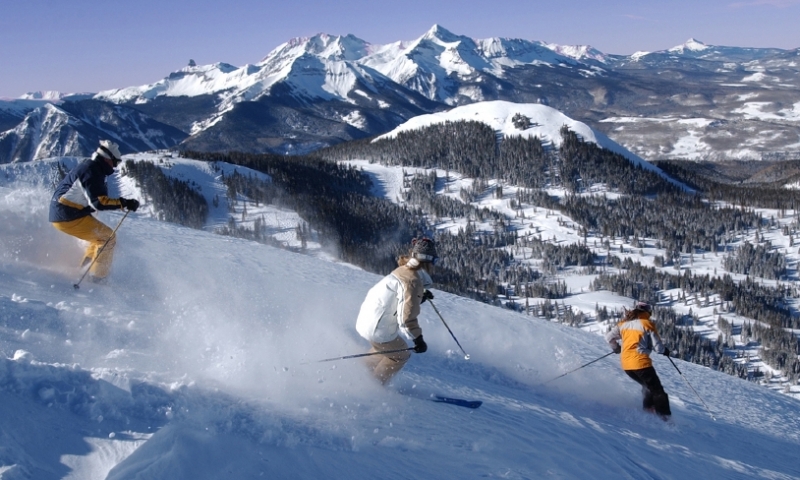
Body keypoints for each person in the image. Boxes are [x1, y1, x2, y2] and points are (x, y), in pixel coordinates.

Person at [49, 140, 140, 282]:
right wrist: (124, 203)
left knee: (98, 238)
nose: (115, 166)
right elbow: (99, 202)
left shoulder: (91, 168)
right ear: (106, 159)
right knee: (108, 238)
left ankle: (85, 270)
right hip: (67, 215)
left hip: (66, 213)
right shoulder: (91, 171)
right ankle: (97, 278)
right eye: (114, 162)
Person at [355, 237, 438, 385]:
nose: (434, 266)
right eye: (434, 261)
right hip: (377, 327)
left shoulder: (404, 270)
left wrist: (420, 296)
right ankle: (374, 385)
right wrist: (418, 339)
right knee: (400, 354)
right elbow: (406, 318)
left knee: (384, 349)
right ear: (428, 261)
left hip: (367, 320)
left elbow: (400, 299)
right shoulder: (413, 281)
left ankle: (359, 371)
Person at [605, 301, 672, 418]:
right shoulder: (646, 324)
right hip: (641, 363)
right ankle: (665, 417)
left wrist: (616, 348)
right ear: (647, 312)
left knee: (647, 387)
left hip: (626, 365)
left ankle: (649, 410)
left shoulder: (623, 324)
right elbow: (658, 348)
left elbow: (608, 337)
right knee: (657, 391)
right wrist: (665, 351)